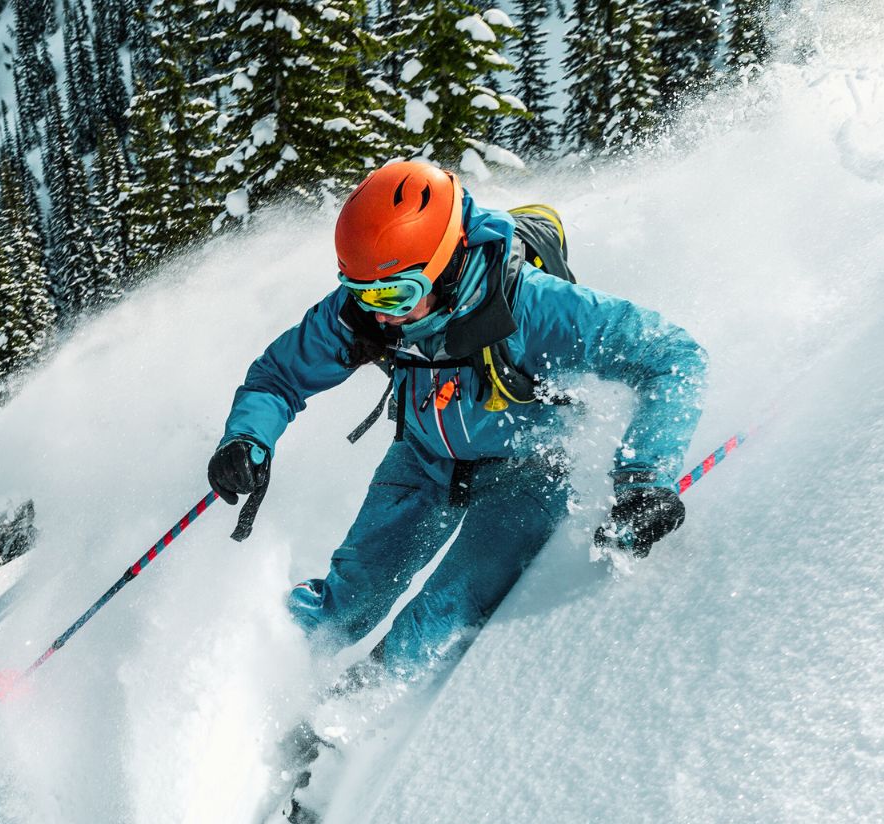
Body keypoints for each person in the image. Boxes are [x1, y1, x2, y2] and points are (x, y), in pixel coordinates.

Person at [207, 160, 707, 692]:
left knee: (435, 619)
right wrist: (247, 437)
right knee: (347, 601)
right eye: (359, 292)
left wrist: (644, 480)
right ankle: (236, 680)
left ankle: (336, 726)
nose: (378, 316)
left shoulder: (533, 307)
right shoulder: (368, 305)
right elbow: (279, 376)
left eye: (392, 296)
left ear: (444, 263)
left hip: (527, 472)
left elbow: (673, 356)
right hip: (422, 461)